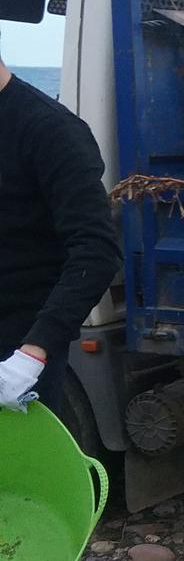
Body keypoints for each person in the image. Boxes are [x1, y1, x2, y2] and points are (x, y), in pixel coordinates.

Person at [0, 50, 122, 415]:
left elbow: (96, 250)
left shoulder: (51, 129)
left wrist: (33, 353)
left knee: (20, 471)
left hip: (18, 353)